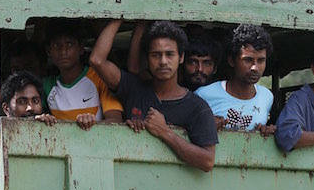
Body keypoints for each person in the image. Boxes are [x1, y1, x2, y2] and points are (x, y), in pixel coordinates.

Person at [89, 20, 218, 172]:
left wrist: (165, 132)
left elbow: (207, 161)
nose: (163, 61)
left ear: (181, 57)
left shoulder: (197, 107)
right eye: (156, 55)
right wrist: (121, 14)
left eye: (170, 54)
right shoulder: (133, 88)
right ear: (147, 59)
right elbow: (97, 61)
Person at [195, 24, 275, 135]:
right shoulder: (203, 95)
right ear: (232, 60)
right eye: (248, 60)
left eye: (261, 60)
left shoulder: (267, 97)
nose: (255, 67)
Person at [43, 22, 123, 130]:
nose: (63, 51)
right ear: (48, 51)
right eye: (57, 45)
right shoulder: (46, 85)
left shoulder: (100, 78)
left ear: (81, 49)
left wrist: (89, 126)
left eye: (70, 44)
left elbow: (116, 120)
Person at [128, 22, 220, 91]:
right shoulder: (161, 86)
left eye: (207, 63)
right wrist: (142, 21)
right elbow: (134, 69)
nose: (199, 69)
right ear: (181, 60)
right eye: (192, 62)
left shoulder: (220, 96)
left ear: (215, 68)